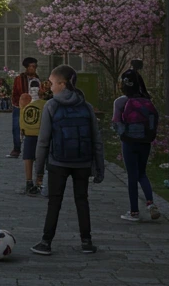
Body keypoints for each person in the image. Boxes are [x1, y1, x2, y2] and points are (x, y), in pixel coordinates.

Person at [32, 65, 104, 256]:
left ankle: (46, 242)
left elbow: (43, 141)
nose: (50, 87)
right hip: (83, 162)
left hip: (58, 162)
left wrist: (38, 170)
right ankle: (86, 242)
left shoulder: (52, 106)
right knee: (82, 200)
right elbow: (97, 140)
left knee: (54, 202)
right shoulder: (86, 106)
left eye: (52, 83)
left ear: (62, 84)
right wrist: (99, 167)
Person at [112, 68, 162, 222]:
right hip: (145, 141)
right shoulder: (147, 101)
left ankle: (134, 211)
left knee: (132, 176)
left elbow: (116, 122)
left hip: (129, 142)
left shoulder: (121, 101)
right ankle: (150, 202)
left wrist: (123, 134)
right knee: (142, 173)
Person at [18, 91, 46, 195]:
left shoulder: (27, 103)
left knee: (29, 157)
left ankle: (30, 182)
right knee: (42, 158)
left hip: (30, 133)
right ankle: (38, 183)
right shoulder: (47, 103)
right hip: (43, 133)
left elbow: (22, 118)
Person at [9, 58, 39, 157]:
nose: (33, 68)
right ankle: (17, 149)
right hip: (19, 106)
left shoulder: (37, 79)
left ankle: (32, 149)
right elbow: (15, 92)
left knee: (32, 127)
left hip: (33, 106)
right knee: (16, 127)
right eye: (31, 66)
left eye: (34, 66)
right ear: (27, 67)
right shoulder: (19, 79)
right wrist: (18, 103)